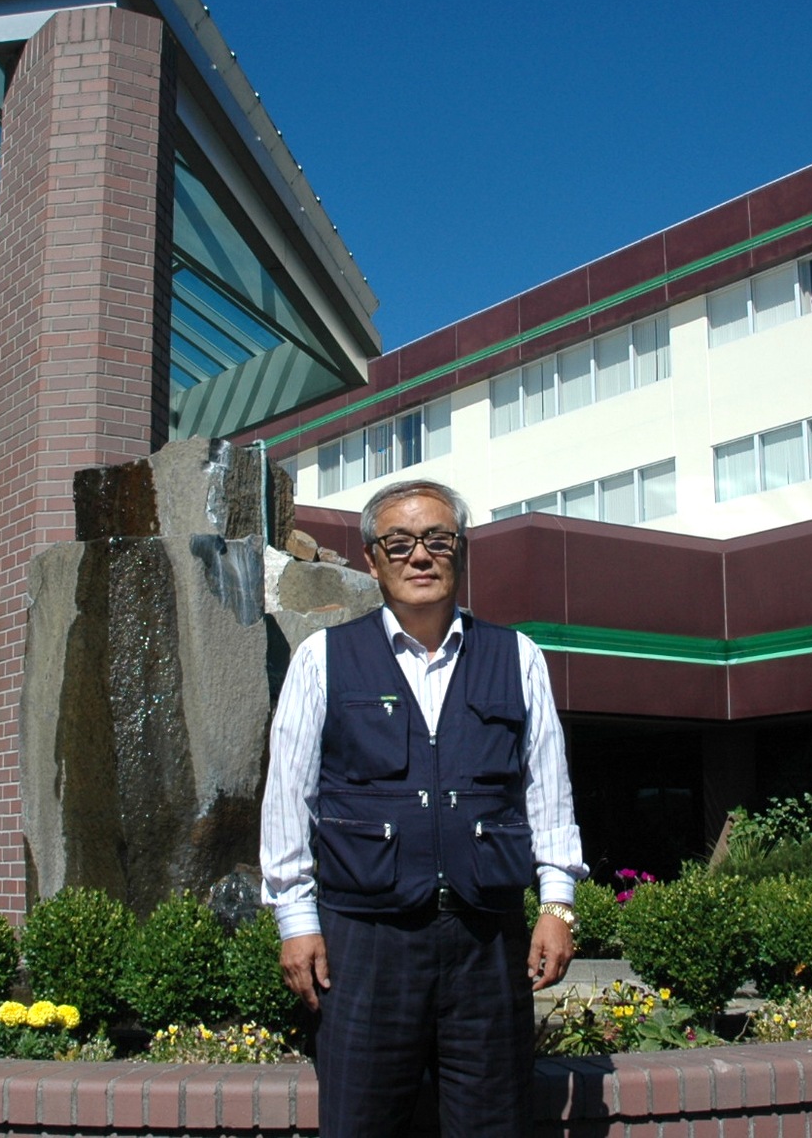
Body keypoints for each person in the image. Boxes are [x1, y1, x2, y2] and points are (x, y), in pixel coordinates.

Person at [260, 479, 587, 1137]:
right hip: (366, 943)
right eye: (400, 542)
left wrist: (556, 903)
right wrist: (296, 919)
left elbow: (548, 791)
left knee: (494, 1123)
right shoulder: (323, 659)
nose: (420, 556)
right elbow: (287, 799)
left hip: (486, 940)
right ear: (373, 560)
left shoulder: (517, 656)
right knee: (360, 1122)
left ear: (460, 552)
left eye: (437, 540)